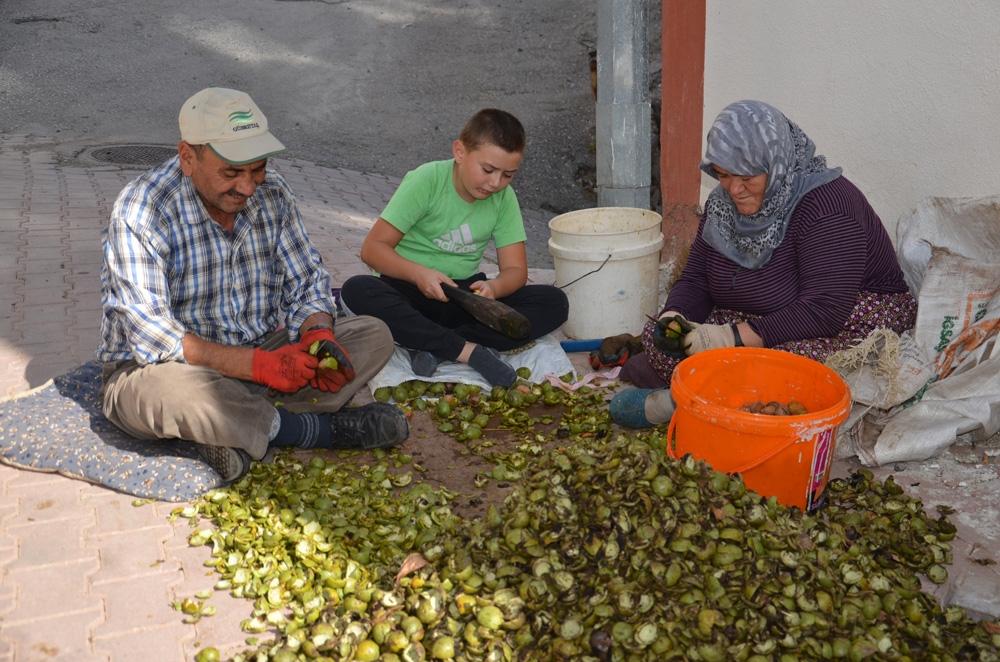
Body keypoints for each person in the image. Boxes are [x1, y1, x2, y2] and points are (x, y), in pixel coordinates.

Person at [98, 87, 409, 483]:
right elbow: (154, 339)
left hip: (262, 357)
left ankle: (239, 428)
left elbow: (308, 281)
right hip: (172, 370)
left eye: (256, 168)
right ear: (188, 157)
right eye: (231, 173)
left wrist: (318, 337)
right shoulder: (142, 210)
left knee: (374, 334)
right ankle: (310, 430)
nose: (248, 187)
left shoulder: (273, 193)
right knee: (165, 393)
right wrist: (260, 367)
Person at [610, 100, 917, 428]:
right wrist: (675, 318)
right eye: (724, 175)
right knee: (666, 339)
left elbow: (823, 310)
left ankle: (685, 401)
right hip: (762, 317)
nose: (734, 189)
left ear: (776, 163)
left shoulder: (829, 206)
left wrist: (730, 338)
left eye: (747, 177)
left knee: (787, 366)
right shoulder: (723, 205)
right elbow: (697, 278)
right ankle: (708, 395)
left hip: (840, 325)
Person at [341, 109, 568, 387]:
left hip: (466, 299)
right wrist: (419, 274)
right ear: (460, 151)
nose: (495, 183)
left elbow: (515, 270)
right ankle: (468, 351)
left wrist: (494, 289)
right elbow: (372, 250)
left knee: (553, 302)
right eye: (488, 170)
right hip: (411, 290)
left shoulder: (503, 198)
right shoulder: (427, 180)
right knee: (358, 289)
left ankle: (435, 343)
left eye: (508, 175)